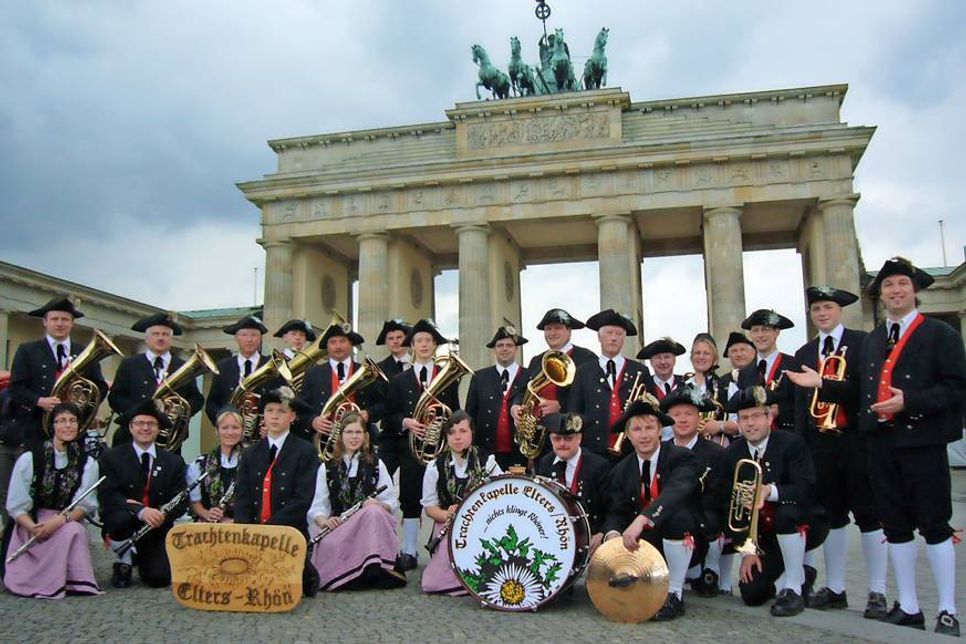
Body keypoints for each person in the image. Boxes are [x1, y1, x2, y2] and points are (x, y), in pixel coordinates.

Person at [858, 257, 965, 636]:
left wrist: (910, 402)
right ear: (881, 294)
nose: (895, 291)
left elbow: (956, 387)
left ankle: (948, 610)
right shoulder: (873, 338)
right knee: (896, 526)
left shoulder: (939, 334)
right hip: (882, 445)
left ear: (914, 289)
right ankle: (908, 605)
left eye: (902, 283)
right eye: (888, 286)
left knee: (934, 526)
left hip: (922, 443)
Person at [784, 286, 887, 619]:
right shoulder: (804, 352)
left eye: (827, 307)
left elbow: (866, 391)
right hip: (820, 444)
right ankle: (838, 588)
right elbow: (801, 408)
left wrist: (823, 385)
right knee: (833, 516)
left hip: (855, 441)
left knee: (869, 516)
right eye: (816, 309)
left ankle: (877, 592)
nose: (822, 314)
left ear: (839, 310)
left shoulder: (863, 343)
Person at [724, 386, 824, 617]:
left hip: (803, 524)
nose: (750, 423)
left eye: (756, 416)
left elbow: (806, 489)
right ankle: (801, 573)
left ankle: (794, 588)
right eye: (744, 418)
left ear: (770, 416)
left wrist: (770, 491)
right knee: (752, 593)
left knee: (785, 514)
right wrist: (747, 550)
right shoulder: (732, 454)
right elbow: (728, 507)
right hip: (765, 537)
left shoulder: (791, 444)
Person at [602, 394, 700, 621]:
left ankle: (675, 593)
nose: (644, 435)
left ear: (660, 430)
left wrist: (643, 518)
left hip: (684, 537)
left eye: (649, 427)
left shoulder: (682, 457)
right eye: (637, 429)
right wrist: (612, 533)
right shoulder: (621, 470)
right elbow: (617, 509)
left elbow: (677, 491)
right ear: (627, 435)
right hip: (643, 543)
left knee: (679, 518)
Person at [3, 402, 101, 598]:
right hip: (32, 522)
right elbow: (16, 504)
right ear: (52, 426)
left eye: (73, 421)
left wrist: (59, 521)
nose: (68, 426)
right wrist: (32, 527)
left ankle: (71, 580)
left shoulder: (87, 462)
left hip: (66, 520)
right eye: (61, 421)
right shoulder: (30, 458)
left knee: (75, 531)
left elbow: (85, 505)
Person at [385, 319, 461, 572]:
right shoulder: (399, 380)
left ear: (434, 344)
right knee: (410, 496)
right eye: (419, 341)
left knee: (446, 496)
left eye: (428, 341)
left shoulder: (447, 377)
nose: (424, 345)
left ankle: (446, 549)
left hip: (440, 447)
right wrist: (406, 421)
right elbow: (389, 415)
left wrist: (442, 428)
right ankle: (408, 549)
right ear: (413, 345)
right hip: (411, 447)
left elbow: (454, 412)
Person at [6, 297, 108, 479]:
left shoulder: (84, 351)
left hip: (74, 431)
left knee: (72, 477)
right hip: (37, 427)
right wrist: (39, 401)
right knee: (35, 477)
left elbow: (100, 386)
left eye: (65, 319)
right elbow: (16, 388)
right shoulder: (28, 350)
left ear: (72, 323)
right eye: (54, 319)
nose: (59, 324)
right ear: (45, 322)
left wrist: (83, 410)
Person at [233, 386, 320, 597]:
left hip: (288, 532)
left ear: (292, 416)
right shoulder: (250, 453)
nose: (274, 416)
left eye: (281, 411)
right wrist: (246, 533)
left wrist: (271, 530)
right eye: (270, 410)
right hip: (254, 532)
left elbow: (303, 499)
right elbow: (243, 497)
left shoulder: (305, 451)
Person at [307, 411, 404, 591]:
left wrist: (377, 505)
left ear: (365, 436)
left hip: (369, 531)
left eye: (358, 433)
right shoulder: (326, 468)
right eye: (349, 432)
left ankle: (372, 568)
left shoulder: (376, 464)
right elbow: (317, 506)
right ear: (341, 436)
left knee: (373, 512)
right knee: (329, 543)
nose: (354, 437)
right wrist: (325, 521)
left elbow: (391, 501)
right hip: (340, 528)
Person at [98, 399, 188, 588]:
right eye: (140, 423)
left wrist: (163, 514)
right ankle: (125, 560)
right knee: (119, 518)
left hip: (156, 525)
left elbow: (181, 500)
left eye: (151, 424)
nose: (145, 428)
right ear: (130, 428)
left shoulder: (174, 461)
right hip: (124, 521)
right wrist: (140, 510)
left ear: (158, 429)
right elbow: (108, 494)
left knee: (159, 578)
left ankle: (138, 554)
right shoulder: (112, 457)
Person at [421, 410, 501, 595]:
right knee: (433, 582)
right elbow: (430, 508)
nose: (457, 437)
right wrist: (448, 514)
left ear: (472, 433)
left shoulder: (487, 462)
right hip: (447, 524)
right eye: (452, 432)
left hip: (483, 524)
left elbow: (501, 496)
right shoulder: (435, 466)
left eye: (463, 431)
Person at [660, 386, 727, 599]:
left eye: (689, 414)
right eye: (676, 415)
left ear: (699, 417)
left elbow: (717, 497)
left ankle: (709, 568)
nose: (682, 419)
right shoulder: (660, 450)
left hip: (702, 517)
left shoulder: (716, 453)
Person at [109, 313, 203, 449]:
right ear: (146, 339)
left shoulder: (183, 366)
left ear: (171, 339)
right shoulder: (130, 364)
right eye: (155, 334)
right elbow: (116, 397)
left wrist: (178, 414)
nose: (160, 338)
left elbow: (196, 398)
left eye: (165, 334)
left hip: (169, 437)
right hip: (131, 436)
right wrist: (139, 415)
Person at [566, 309, 651, 458]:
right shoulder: (584, 371)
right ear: (599, 337)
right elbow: (574, 411)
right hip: (593, 451)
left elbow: (650, 411)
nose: (613, 338)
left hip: (632, 451)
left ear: (624, 339)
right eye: (609, 333)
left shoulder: (639, 370)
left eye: (618, 334)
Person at [510, 308, 597, 432]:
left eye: (558, 328)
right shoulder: (536, 360)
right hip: (537, 433)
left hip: (569, 432)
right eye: (548, 329)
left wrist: (561, 406)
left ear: (569, 331)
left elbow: (592, 397)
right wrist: (515, 406)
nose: (552, 333)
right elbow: (522, 390)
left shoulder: (587, 358)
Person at [533, 413, 609, 552]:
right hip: (555, 539)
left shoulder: (598, 466)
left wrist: (602, 533)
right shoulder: (545, 463)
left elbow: (613, 508)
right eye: (557, 439)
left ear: (579, 438)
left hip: (590, 539)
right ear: (550, 439)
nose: (562, 444)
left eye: (568, 439)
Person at [297, 316, 378, 444]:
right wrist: (313, 421)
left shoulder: (365, 372)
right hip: (325, 439)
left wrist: (369, 413)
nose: (338, 346)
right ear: (327, 347)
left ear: (351, 344)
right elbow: (301, 408)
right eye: (333, 342)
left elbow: (383, 404)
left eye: (342, 341)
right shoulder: (313, 373)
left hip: (360, 439)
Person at [465, 326, 528, 470]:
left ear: (516, 349)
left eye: (509, 345)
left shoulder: (528, 375)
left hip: (520, 453)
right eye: (500, 345)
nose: (504, 349)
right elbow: (470, 415)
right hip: (486, 452)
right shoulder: (479, 377)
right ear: (494, 349)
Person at [204, 315, 278, 430]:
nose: (249, 339)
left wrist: (272, 424)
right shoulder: (223, 367)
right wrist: (223, 423)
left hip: (265, 436)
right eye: (244, 335)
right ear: (236, 338)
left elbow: (282, 401)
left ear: (260, 339)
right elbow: (212, 403)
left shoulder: (272, 366)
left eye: (254, 335)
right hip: (231, 434)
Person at [736, 310, 797, 431]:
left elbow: (802, 404)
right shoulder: (744, 373)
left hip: (787, 437)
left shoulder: (794, 365)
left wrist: (780, 411)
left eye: (765, 330)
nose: (760, 335)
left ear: (777, 332)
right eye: (755, 330)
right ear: (750, 335)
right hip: (755, 439)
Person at [187, 406, 243, 523]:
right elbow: (195, 502)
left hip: (242, 528)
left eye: (235, 427)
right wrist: (207, 513)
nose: (230, 432)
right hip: (209, 528)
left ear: (242, 431)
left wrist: (235, 521)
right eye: (225, 428)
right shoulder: (199, 464)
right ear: (217, 431)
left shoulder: (252, 462)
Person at [373, 319, 413, 478]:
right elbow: (381, 401)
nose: (396, 341)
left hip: (415, 435)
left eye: (399, 337)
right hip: (390, 433)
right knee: (381, 476)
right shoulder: (379, 369)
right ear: (386, 342)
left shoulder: (418, 364)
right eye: (391, 338)